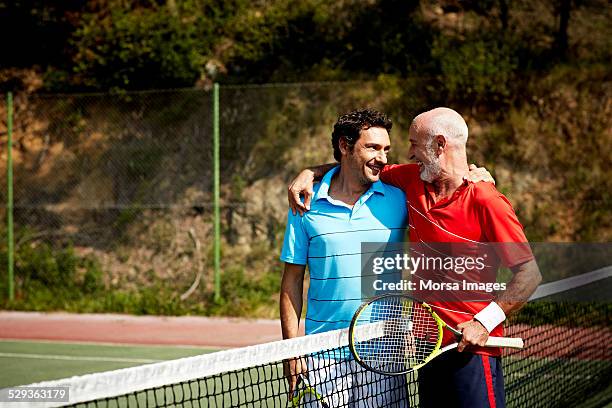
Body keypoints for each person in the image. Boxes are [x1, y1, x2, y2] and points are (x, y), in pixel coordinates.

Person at [287, 107, 541, 408]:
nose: (408, 154)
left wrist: (484, 323)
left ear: (440, 145)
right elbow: (354, 165)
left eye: (414, 144)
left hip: (471, 352)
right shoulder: (410, 182)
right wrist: (311, 172)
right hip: (427, 350)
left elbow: (529, 274)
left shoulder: (487, 200)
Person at [280, 108, 409, 407]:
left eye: (387, 149)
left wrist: (478, 175)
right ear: (344, 146)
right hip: (322, 356)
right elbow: (291, 283)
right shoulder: (305, 203)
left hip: (384, 354)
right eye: (372, 147)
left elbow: (445, 176)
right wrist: (292, 350)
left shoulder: (400, 197)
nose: (383, 158)